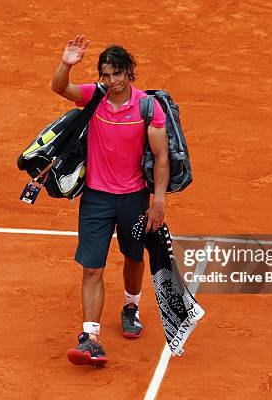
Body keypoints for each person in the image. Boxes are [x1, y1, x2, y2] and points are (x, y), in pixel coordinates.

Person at [51, 35, 169, 366]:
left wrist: (158, 199)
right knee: (92, 267)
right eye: (105, 74)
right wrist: (66, 63)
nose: (111, 81)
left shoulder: (148, 107)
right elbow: (61, 88)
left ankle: (131, 306)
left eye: (117, 73)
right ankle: (91, 337)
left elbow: (161, 157)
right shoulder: (94, 97)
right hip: (96, 199)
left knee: (134, 258)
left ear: (130, 73)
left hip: (134, 199)